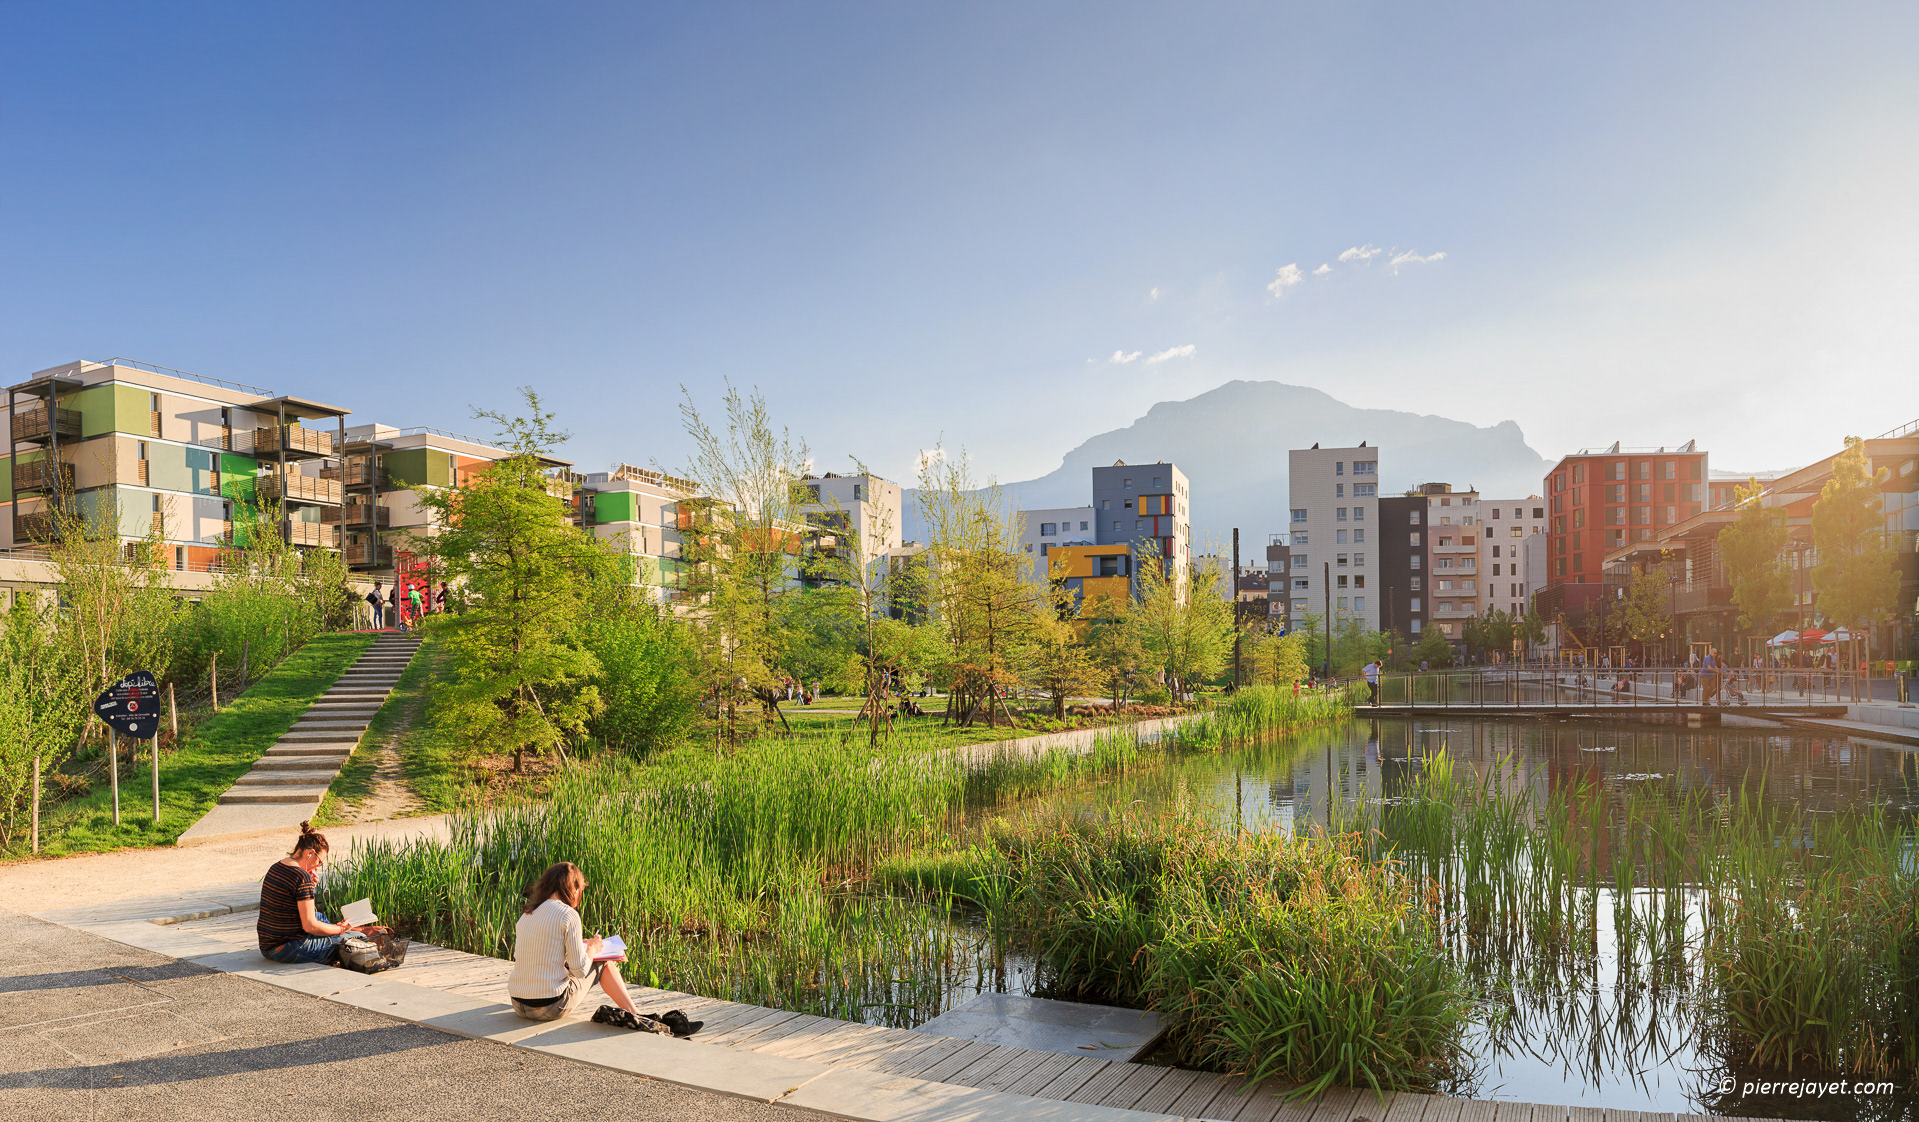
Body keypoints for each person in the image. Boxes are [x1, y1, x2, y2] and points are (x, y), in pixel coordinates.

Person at [508, 862, 640, 1023]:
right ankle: (635, 1014)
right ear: (574, 889)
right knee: (604, 963)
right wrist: (592, 948)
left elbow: (530, 958)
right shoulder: (568, 915)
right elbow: (580, 971)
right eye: (580, 890)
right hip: (550, 1007)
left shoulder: (527, 914)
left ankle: (634, 1013)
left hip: (519, 1005)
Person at [258, 821, 365, 964]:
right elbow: (310, 926)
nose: (318, 866)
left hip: (267, 945)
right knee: (357, 939)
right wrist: (340, 929)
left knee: (320, 917)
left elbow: (300, 909)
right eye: (319, 862)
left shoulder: (277, 866)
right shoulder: (302, 877)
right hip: (287, 950)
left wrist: (310, 889)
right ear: (309, 854)